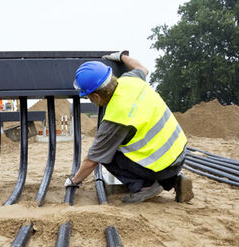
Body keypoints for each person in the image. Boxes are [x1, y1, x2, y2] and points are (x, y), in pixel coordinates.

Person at [65, 51, 194, 204]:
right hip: (180, 154)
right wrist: (121, 57)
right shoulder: (131, 80)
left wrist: (74, 181)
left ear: (97, 97)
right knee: (132, 150)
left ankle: (145, 187)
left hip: (162, 165)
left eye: (88, 96)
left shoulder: (115, 118)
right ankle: (173, 181)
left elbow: (92, 161)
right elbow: (143, 68)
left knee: (108, 154)